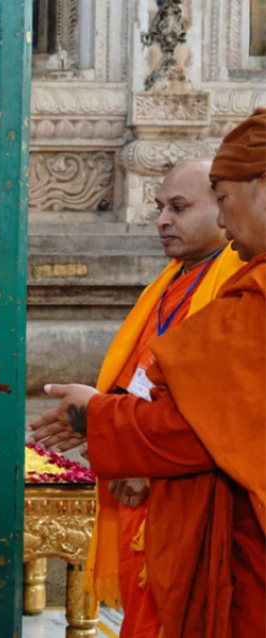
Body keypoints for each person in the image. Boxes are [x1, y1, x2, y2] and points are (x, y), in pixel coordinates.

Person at [28, 107, 265, 638]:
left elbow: (204, 424)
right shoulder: (190, 282)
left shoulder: (246, 294)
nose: (226, 223)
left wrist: (102, 418)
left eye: (221, 200)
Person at [84, 159, 244, 638]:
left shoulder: (234, 284)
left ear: (224, 208)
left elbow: (218, 402)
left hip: (184, 486)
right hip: (140, 476)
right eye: (160, 208)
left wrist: (146, 463)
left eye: (178, 207)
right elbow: (138, 374)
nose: (162, 220)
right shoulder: (172, 281)